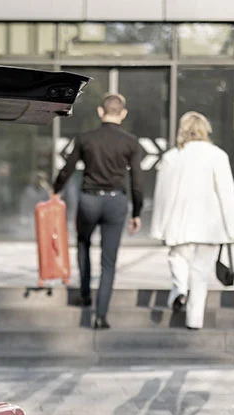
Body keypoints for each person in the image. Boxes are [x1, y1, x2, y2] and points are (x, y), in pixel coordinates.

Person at [52, 92, 144, 329]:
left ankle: (84, 294)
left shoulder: (85, 138)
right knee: (109, 261)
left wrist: (56, 190)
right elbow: (137, 182)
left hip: (89, 200)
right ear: (123, 114)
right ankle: (101, 315)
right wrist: (137, 212)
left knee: (83, 243)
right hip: (116, 202)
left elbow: (67, 169)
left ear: (100, 112)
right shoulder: (131, 142)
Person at [150, 111, 234, 330]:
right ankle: (194, 320)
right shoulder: (217, 155)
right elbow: (226, 193)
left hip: (179, 222)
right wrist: (233, 228)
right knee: (201, 274)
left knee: (178, 258)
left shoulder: (172, 157)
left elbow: (162, 195)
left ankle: (180, 289)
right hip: (209, 226)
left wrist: (158, 227)